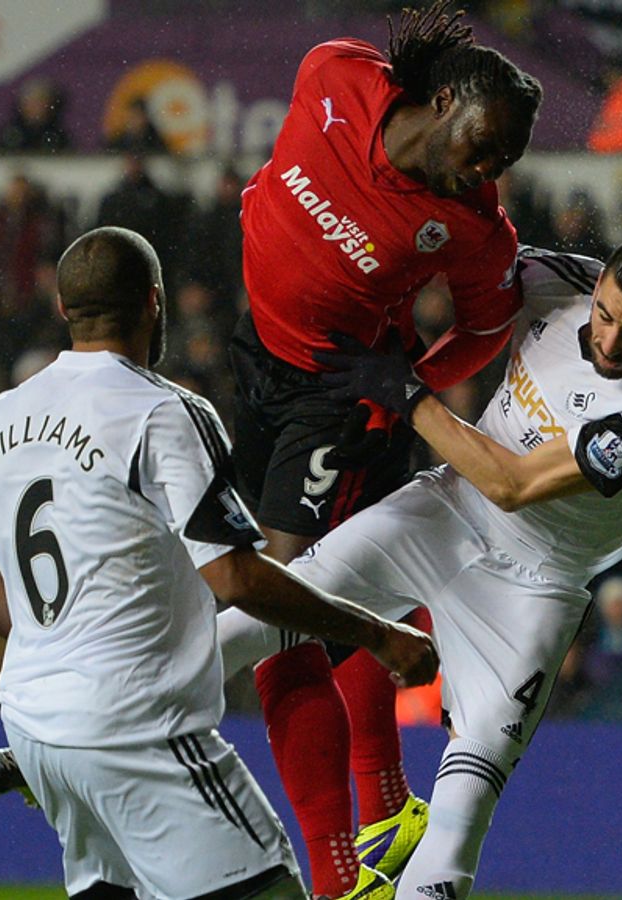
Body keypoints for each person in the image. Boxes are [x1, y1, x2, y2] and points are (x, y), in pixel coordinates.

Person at [214, 203, 622, 900]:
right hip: (447, 509)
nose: (610, 340)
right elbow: (461, 256)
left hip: (536, 585)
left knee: (462, 813)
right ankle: (105, 707)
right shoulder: (563, 279)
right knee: (274, 606)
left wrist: (404, 392)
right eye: (604, 314)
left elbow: (513, 485)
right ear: (598, 285)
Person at [0, 227, 438, 900]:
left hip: (35, 729)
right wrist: (376, 634)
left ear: (62, 308)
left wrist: (61, 640)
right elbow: (235, 575)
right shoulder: (164, 411)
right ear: (154, 302)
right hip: (138, 729)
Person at [231, 4, 541, 895]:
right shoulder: (334, 73)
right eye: (484, 147)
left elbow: (488, 326)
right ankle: (387, 808)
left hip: (336, 400)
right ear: (442, 102)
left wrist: (403, 394)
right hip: (260, 355)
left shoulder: (472, 225)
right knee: (333, 596)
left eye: (505, 161)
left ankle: (340, 877)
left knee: (278, 614)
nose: (489, 171)